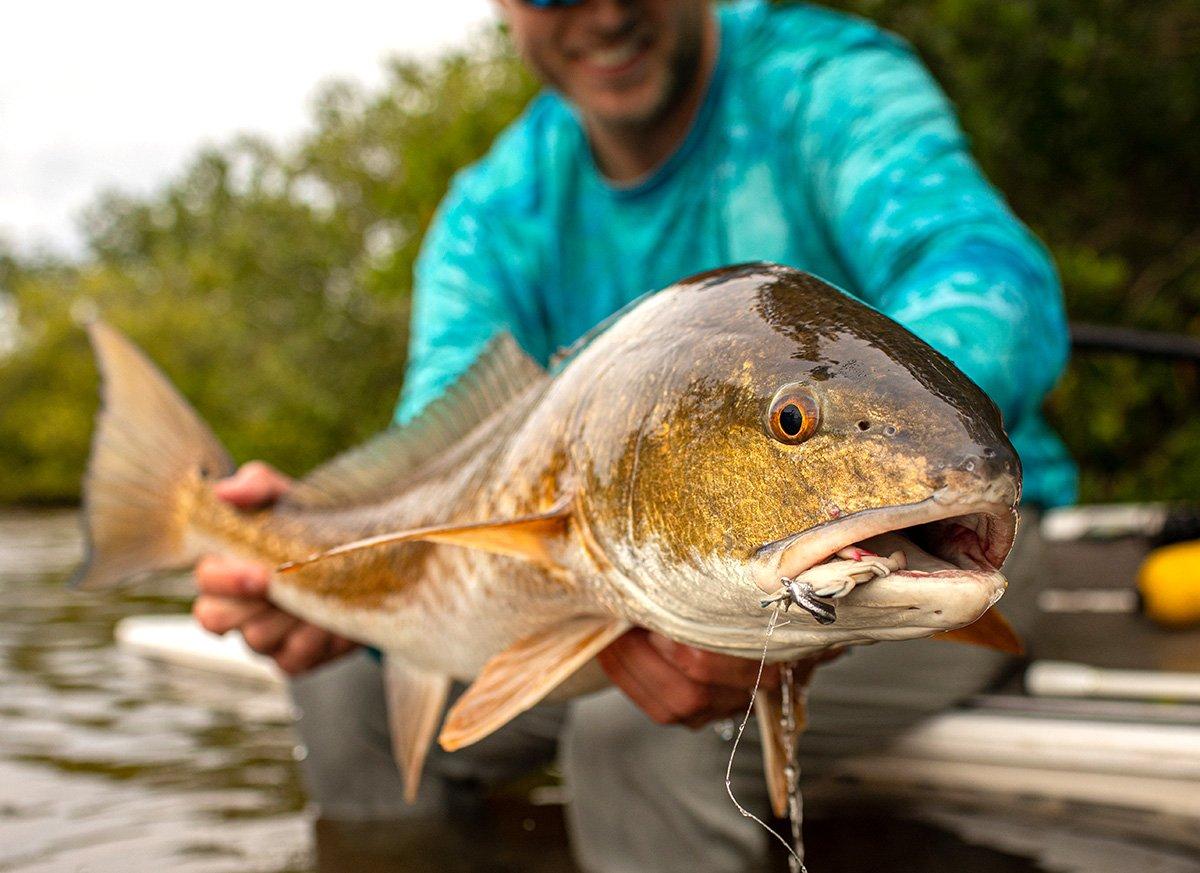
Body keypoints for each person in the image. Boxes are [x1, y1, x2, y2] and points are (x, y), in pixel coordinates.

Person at [192, 1, 1075, 870]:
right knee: (340, 691)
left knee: (629, 734)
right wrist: (322, 565)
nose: (605, 11)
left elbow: (985, 272)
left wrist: (871, 454)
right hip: (592, 568)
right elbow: (437, 459)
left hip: (946, 553)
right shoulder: (495, 212)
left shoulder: (826, 82)